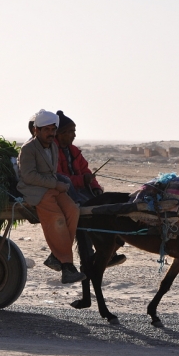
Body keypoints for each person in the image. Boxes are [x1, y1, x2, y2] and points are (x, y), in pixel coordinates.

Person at [42, 110, 126, 271]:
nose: (74, 135)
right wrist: (82, 180)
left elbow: (86, 172)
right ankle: (68, 256)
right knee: (85, 215)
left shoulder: (74, 152)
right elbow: (59, 176)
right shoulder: (52, 151)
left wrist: (95, 187)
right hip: (64, 191)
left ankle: (108, 251)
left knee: (107, 205)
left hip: (81, 190)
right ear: (60, 133)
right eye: (71, 132)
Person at [17, 109, 85, 284]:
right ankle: (67, 266)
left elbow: (52, 172)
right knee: (57, 220)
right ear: (36, 131)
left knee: (73, 210)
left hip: (52, 187)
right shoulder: (28, 149)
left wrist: (58, 185)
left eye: (52, 130)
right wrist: (55, 184)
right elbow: (29, 176)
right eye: (46, 130)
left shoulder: (53, 146)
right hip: (35, 190)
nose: (50, 133)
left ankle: (57, 256)